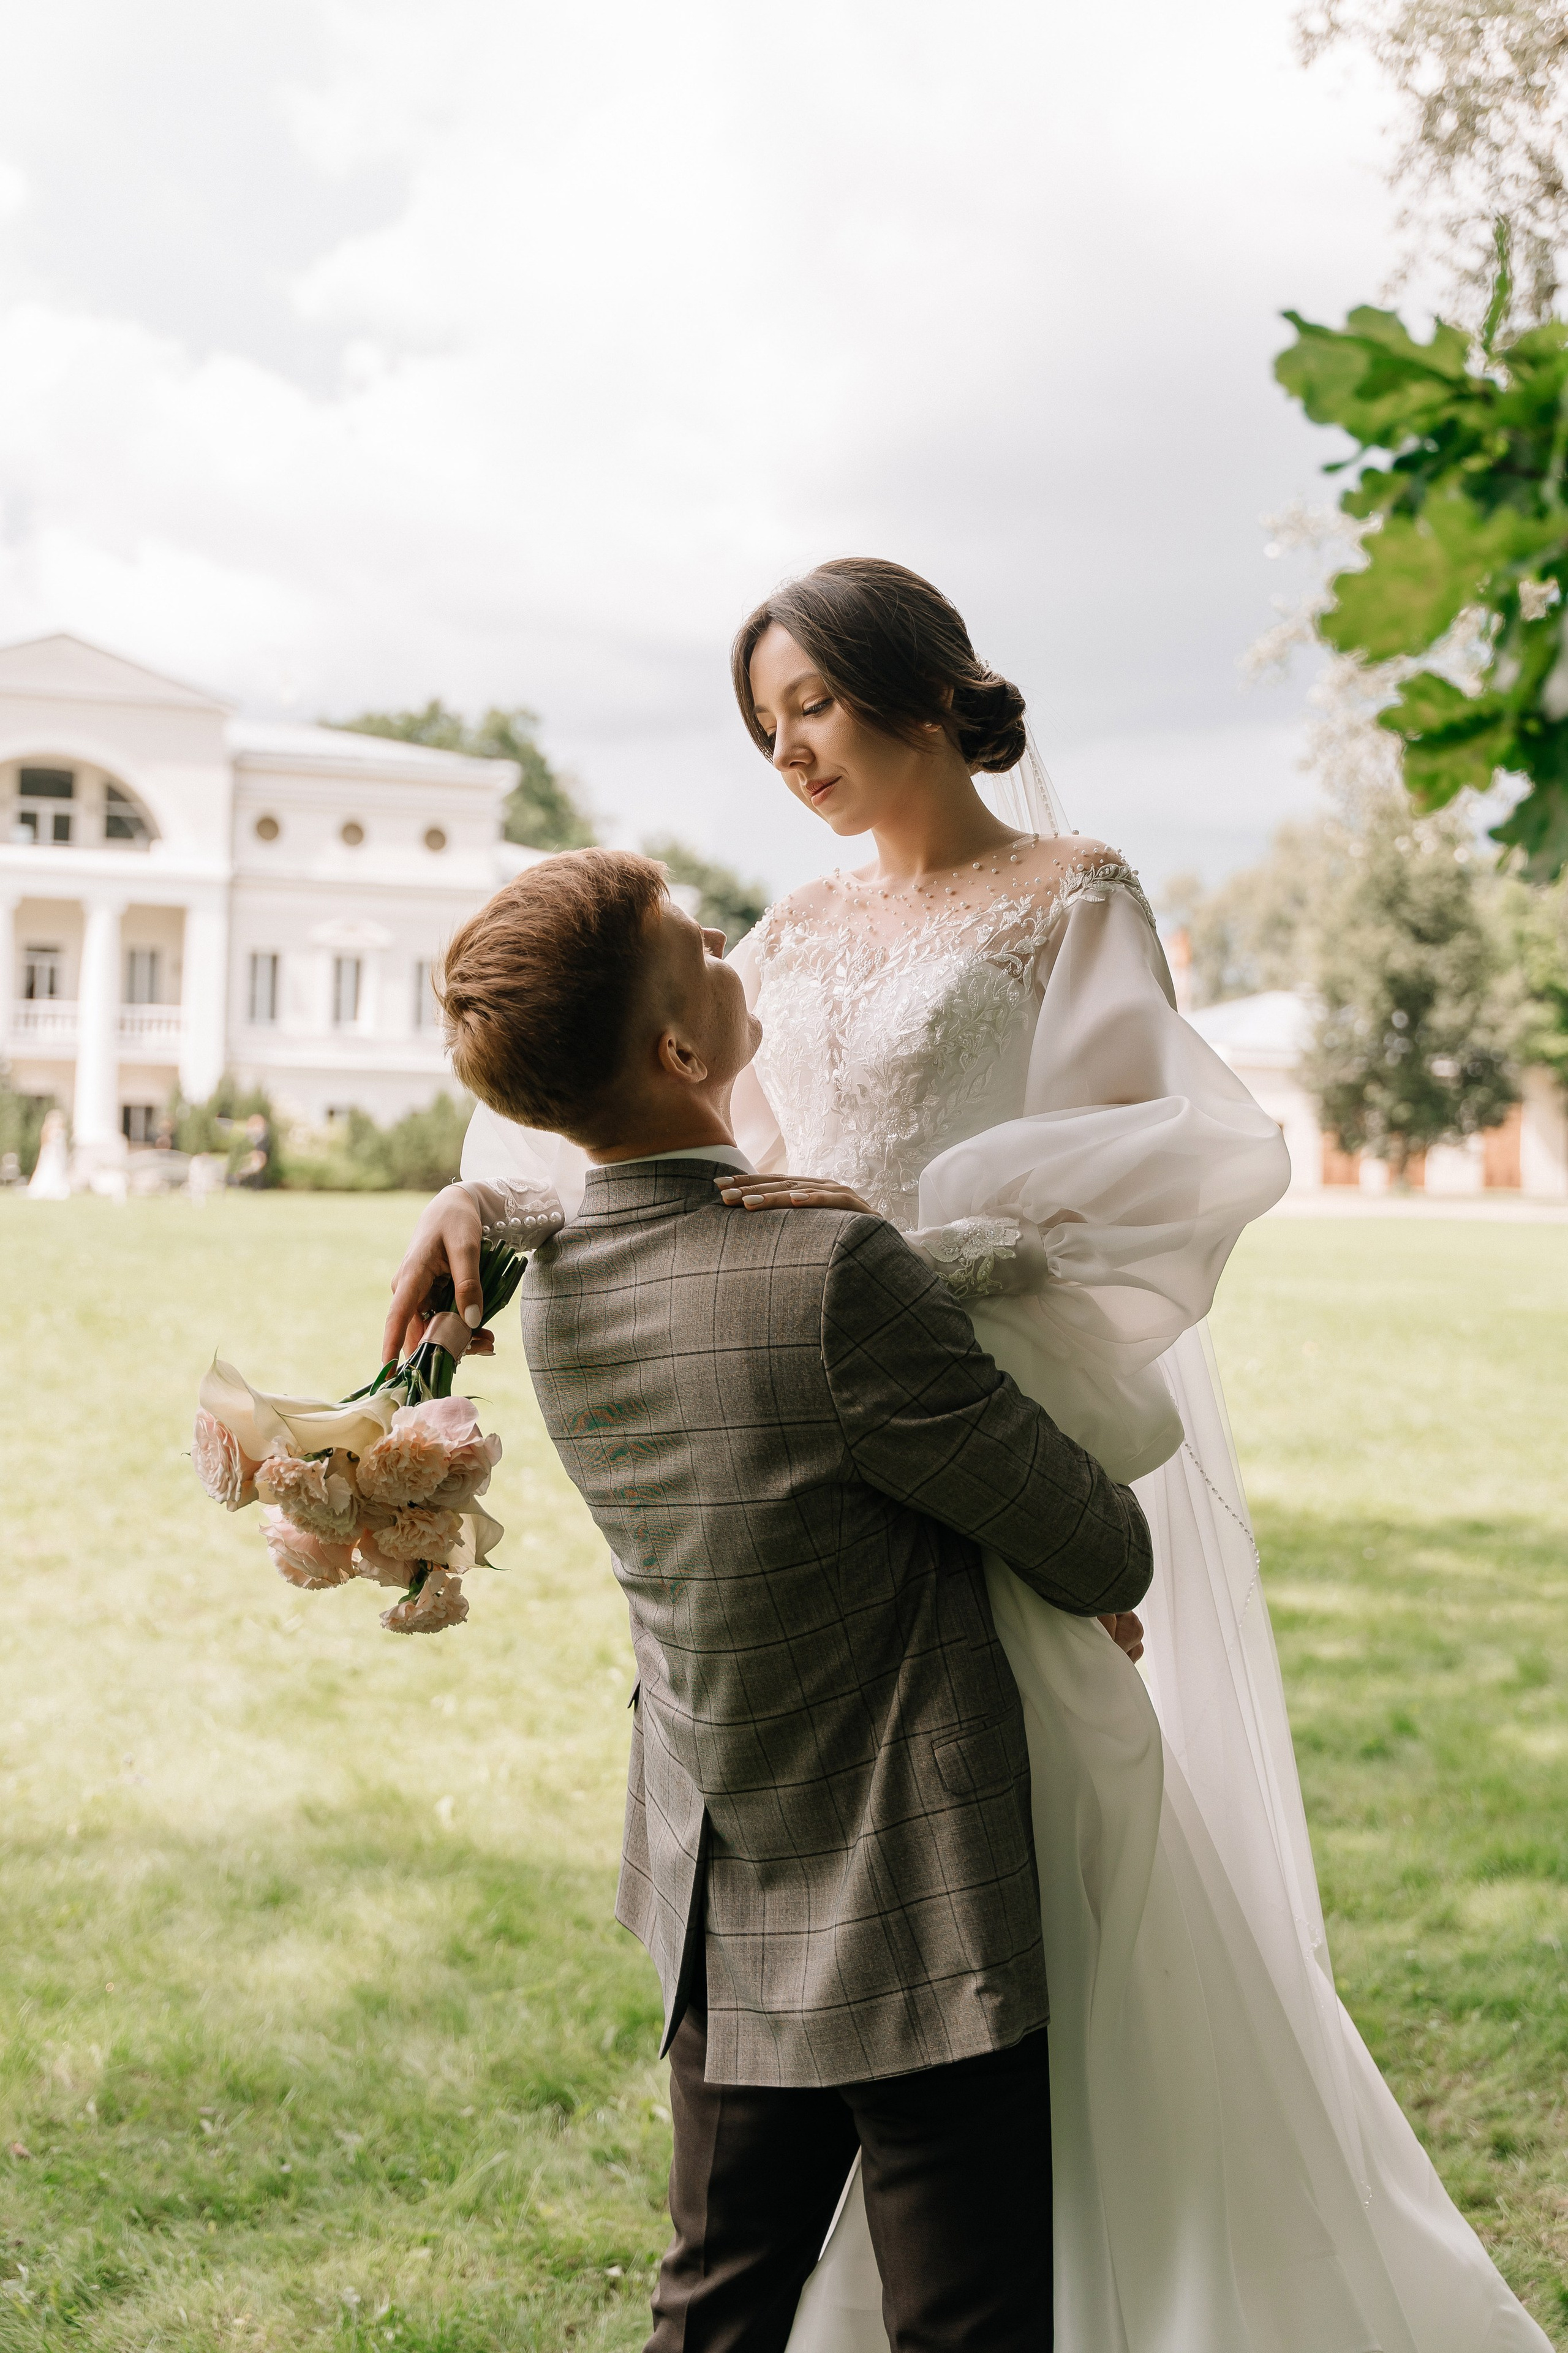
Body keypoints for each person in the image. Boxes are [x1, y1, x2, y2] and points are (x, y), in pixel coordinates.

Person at [395, 560, 1550, 2353]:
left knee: (1038, 1893)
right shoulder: (783, 931)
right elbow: (680, 1148)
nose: (790, 754)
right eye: (763, 726)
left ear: (925, 690)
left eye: (815, 710)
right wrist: (491, 1199)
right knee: (848, 1941)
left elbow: (1166, 1167)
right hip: (830, 1430)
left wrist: (919, 1261)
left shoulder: (1073, 897)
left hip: (976, 1403)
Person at [393, 846, 1152, 2351]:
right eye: (702, 950)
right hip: (912, 1888)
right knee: (966, 2316)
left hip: (715, 1874)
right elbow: (1100, 1546)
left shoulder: (561, 1280)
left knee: (718, 2294)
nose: (737, 949)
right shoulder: (831, 1268)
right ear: (681, 1050)